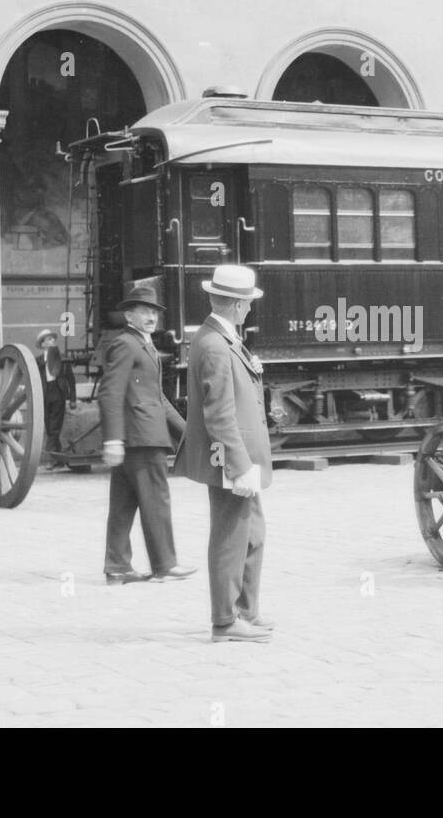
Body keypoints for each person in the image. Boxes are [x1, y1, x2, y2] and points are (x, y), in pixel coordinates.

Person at [173, 265, 274, 643]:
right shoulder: (215, 344)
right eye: (247, 303)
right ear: (235, 305)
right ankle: (225, 620)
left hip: (241, 456)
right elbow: (219, 415)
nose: (249, 309)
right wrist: (239, 465)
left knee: (252, 533)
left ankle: (245, 610)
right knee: (231, 536)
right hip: (233, 457)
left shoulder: (221, 337)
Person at [98, 285, 196, 586]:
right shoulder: (127, 344)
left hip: (140, 434)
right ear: (130, 315)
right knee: (156, 499)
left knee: (124, 504)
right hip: (142, 436)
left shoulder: (142, 344)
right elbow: (110, 392)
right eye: (145, 311)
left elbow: (158, 397)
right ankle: (165, 564)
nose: (151, 317)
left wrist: (187, 433)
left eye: (154, 312)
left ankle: (117, 567)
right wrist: (113, 439)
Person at [35, 329, 76, 467]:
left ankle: (50, 458)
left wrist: (73, 399)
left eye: (53, 339)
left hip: (58, 393)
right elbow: (33, 380)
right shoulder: (38, 361)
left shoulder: (62, 357)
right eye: (49, 339)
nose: (52, 341)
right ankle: (59, 459)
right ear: (42, 344)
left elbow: (71, 379)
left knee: (55, 427)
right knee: (49, 426)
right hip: (45, 394)